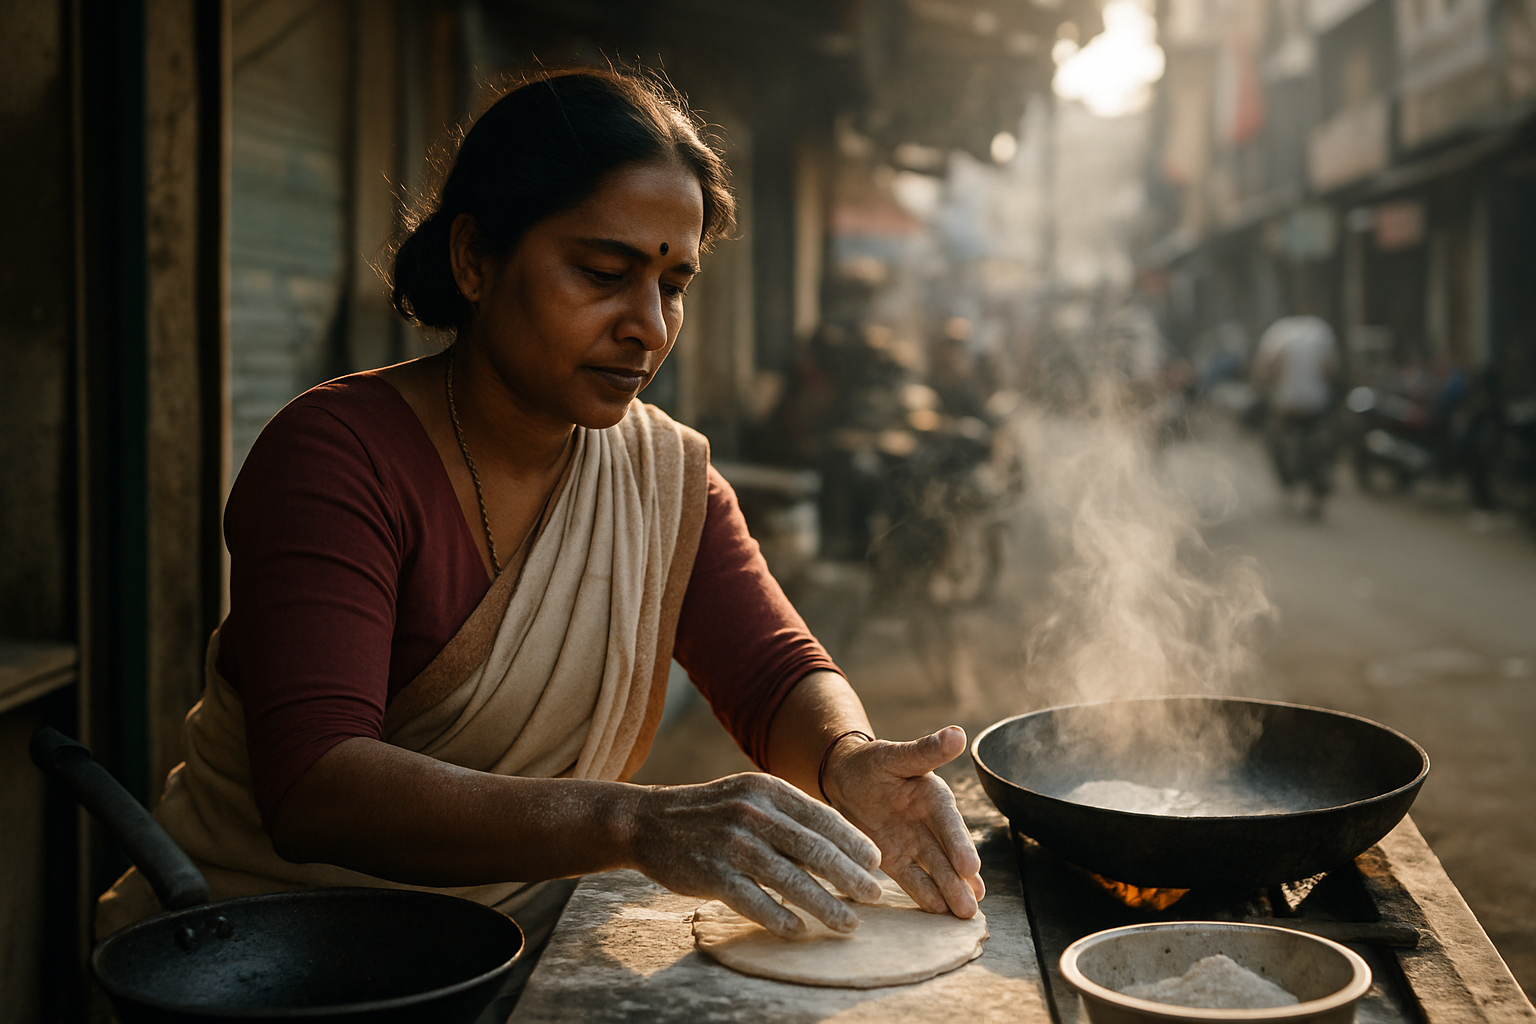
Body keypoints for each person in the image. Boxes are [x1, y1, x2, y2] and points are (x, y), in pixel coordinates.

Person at [97, 69, 983, 959]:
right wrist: (632, 823)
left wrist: (848, 759)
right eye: (604, 273)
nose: (648, 326)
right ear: (475, 258)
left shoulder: (664, 476)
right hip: (263, 958)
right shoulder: (336, 457)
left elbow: (774, 671)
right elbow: (316, 785)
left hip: (502, 955)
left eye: (673, 284)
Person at [1252, 311, 1341, 516]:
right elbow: (1330, 368)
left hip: (1287, 405)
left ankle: (1288, 484)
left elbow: (1265, 367)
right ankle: (1317, 490)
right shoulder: (1321, 331)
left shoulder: (1277, 333)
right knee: (1324, 445)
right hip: (1317, 404)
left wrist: (1269, 386)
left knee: (1273, 441)